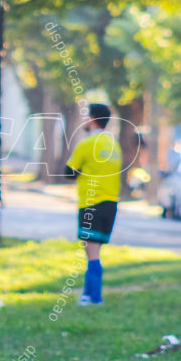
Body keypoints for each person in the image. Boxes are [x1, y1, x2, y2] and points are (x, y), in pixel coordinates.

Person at [64, 103, 122, 306]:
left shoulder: (87, 144)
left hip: (91, 203)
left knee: (91, 252)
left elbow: (68, 172)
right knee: (95, 250)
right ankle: (90, 295)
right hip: (111, 203)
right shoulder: (114, 145)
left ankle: (93, 296)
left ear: (91, 119)